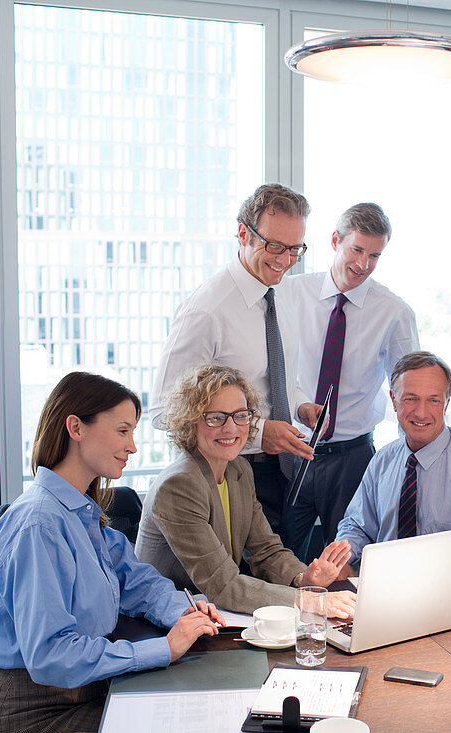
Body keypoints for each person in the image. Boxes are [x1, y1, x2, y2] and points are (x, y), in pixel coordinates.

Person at [0, 372, 223, 733]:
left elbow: (137, 581)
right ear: (76, 428)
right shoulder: (39, 524)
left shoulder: (80, 512)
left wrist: (184, 611)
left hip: (77, 693)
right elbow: (50, 654)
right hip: (28, 712)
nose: (132, 446)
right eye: (122, 431)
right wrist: (162, 649)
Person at [150, 183, 320, 547]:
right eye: (274, 246)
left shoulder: (281, 288)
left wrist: (301, 402)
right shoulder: (206, 310)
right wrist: (258, 431)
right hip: (229, 476)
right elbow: (164, 410)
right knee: (244, 592)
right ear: (243, 233)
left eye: (295, 250)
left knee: (288, 576)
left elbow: (279, 374)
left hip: (287, 472)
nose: (285, 260)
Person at [136, 364, 357, 618]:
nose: (230, 428)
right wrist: (306, 601)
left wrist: (302, 578)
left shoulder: (238, 470)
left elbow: (267, 550)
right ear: (191, 421)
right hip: (167, 621)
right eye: (215, 417)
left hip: (210, 615)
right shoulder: (178, 486)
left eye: (240, 415)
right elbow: (223, 585)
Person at [288, 203, 419, 560]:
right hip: (291, 451)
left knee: (351, 563)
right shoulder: (289, 294)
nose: (363, 264)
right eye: (357, 250)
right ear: (335, 240)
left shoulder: (394, 312)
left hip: (352, 459)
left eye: (374, 255)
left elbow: (410, 390)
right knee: (275, 556)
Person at [336, 351, 451, 576]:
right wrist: (341, 555)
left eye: (433, 400)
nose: (421, 412)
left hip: (446, 590)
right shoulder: (383, 459)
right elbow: (357, 526)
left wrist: (426, 572)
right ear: (393, 400)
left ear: (446, 403)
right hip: (383, 587)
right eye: (411, 399)